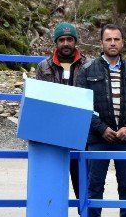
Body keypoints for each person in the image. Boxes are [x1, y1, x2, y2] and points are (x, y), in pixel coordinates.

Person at [75, 24, 126, 217]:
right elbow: (82, 104)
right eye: (109, 39)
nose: (113, 43)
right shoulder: (87, 71)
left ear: (122, 42)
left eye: (117, 39)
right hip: (98, 138)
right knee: (94, 184)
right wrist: (101, 128)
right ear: (101, 43)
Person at [34, 22, 92, 196]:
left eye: (69, 39)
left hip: (80, 131)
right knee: (53, 180)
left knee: (82, 180)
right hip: (53, 132)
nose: (66, 43)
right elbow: (39, 98)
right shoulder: (43, 67)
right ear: (56, 42)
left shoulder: (89, 65)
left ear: (75, 41)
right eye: (61, 40)